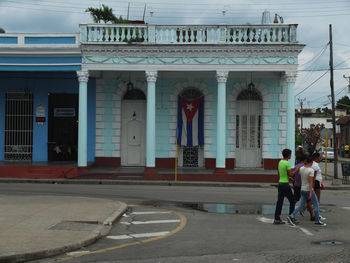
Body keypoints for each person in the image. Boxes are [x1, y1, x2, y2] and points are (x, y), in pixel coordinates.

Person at [287, 155, 327, 226]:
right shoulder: (311, 170)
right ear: (311, 162)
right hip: (308, 189)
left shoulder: (301, 168)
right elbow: (311, 182)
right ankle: (317, 220)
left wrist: (302, 186)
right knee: (316, 204)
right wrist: (311, 192)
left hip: (302, 188)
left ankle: (291, 215)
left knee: (301, 205)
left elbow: (299, 179)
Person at [273, 149, 300, 225]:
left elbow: (282, 173)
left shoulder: (280, 162)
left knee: (280, 202)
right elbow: (291, 174)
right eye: (290, 154)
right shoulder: (287, 163)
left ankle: (277, 218)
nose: (291, 156)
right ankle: (291, 217)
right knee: (292, 201)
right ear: (288, 155)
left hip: (281, 183)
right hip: (285, 184)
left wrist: (288, 177)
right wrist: (296, 170)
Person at [311, 152, 326, 221]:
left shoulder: (314, 164)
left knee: (314, 200)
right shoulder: (315, 165)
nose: (321, 159)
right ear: (316, 158)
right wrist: (313, 185)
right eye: (319, 157)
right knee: (317, 201)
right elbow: (313, 176)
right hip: (316, 183)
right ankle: (317, 216)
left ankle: (304, 208)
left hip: (317, 183)